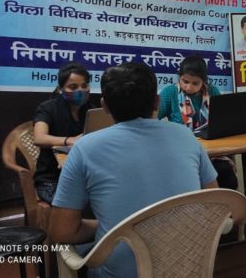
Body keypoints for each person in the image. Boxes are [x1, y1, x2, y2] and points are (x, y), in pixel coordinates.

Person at [49, 62, 218, 278]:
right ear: (157, 102)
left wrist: (112, 226)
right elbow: (213, 200)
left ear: (105, 106)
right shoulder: (186, 136)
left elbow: (62, 231)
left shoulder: (84, 148)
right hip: (189, 267)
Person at [157, 54, 237, 190]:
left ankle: (226, 207)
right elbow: (155, 121)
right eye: (185, 81)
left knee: (225, 173)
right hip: (181, 151)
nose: (188, 87)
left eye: (195, 83)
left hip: (212, 150)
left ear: (204, 81)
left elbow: (222, 120)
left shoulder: (212, 91)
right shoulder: (169, 93)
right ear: (179, 77)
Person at [32, 62, 95, 204]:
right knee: (79, 207)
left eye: (84, 86)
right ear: (61, 89)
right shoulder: (48, 108)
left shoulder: (91, 111)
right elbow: (39, 138)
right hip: (52, 181)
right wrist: (70, 140)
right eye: (73, 87)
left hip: (83, 178)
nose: (81, 90)